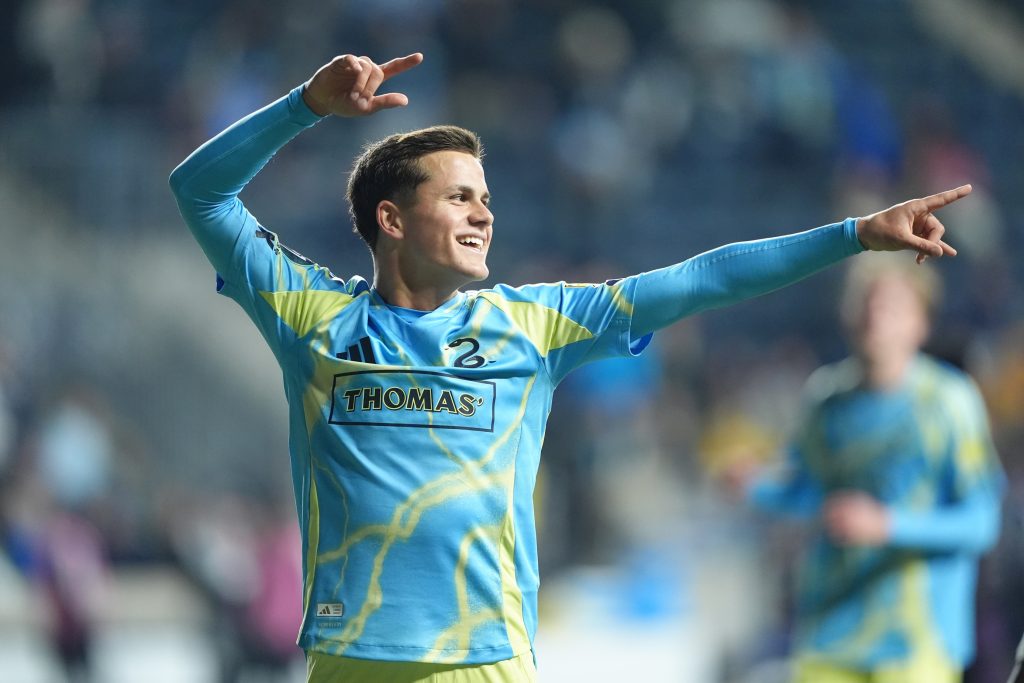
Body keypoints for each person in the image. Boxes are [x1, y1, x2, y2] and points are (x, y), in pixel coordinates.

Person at [169, 52, 971, 682]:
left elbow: (702, 278)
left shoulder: (535, 325)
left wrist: (853, 235)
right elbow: (200, 193)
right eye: (457, 197)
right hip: (353, 657)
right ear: (391, 217)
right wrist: (304, 106)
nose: (484, 212)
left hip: (486, 660)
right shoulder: (314, 318)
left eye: (486, 197)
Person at [729, 255, 1004, 683]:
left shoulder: (950, 402)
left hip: (915, 639)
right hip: (830, 632)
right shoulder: (826, 398)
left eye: (892, 306)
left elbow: (981, 522)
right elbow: (809, 496)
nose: (876, 317)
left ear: (921, 323)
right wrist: (754, 487)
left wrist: (887, 525)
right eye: (867, 304)